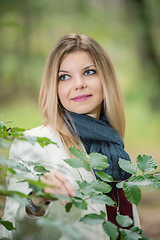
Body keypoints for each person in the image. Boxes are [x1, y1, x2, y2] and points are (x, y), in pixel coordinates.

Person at [0, 33, 140, 240]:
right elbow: (11, 234)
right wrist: (36, 201)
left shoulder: (113, 145)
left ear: (106, 78)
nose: (79, 84)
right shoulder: (35, 143)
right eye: (64, 76)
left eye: (89, 72)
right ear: (54, 87)